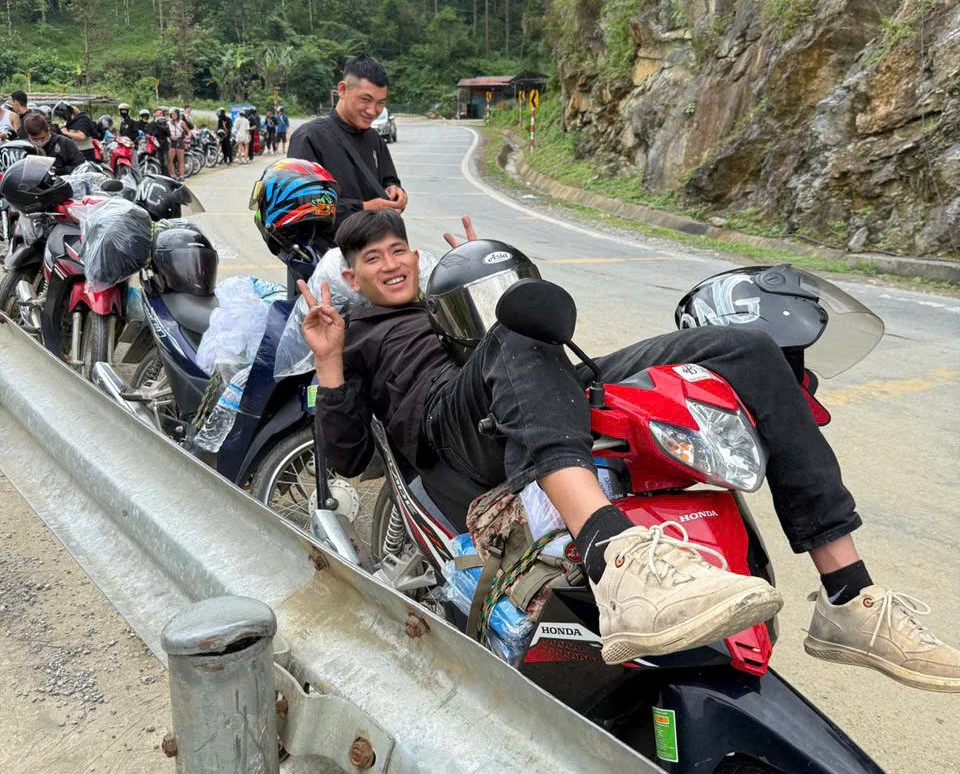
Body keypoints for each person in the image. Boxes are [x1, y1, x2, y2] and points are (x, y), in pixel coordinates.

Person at [301, 208, 960, 692]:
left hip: (529, 392)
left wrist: (490, 279)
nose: (390, 264)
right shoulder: (357, 331)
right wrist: (330, 365)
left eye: (399, 250)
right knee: (517, 328)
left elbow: (525, 337)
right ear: (353, 276)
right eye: (372, 259)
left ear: (416, 256)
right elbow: (352, 458)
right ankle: (614, 558)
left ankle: (849, 596)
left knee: (745, 347)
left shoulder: (444, 298)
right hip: (453, 439)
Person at [288, 54, 407, 240]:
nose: (372, 110)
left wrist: (395, 192)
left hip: (370, 256)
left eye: (380, 103)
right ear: (342, 90)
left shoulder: (374, 139)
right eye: (365, 99)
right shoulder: (309, 137)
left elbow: (389, 180)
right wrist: (364, 209)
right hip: (325, 259)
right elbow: (302, 206)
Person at [146, 107, 171, 172]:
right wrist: (157, 124)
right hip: (155, 146)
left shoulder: (165, 123)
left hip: (164, 145)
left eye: (161, 113)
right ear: (154, 114)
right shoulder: (150, 124)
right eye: (158, 113)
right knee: (158, 161)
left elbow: (168, 134)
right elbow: (152, 134)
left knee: (165, 162)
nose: (160, 114)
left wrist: (163, 125)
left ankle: (166, 176)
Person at [167, 108, 189, 180]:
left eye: (175, 114)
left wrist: (187, 137)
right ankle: (173, 176)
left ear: (178, 114)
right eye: (172, 114)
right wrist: (170, 136)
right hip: (172, 141)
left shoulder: (182, 122)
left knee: (181, 160)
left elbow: (189, 132)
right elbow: (166, 132)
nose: (174, 115)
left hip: (179, 141)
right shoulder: (168, 123)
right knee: (170, 159)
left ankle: (181, 176)